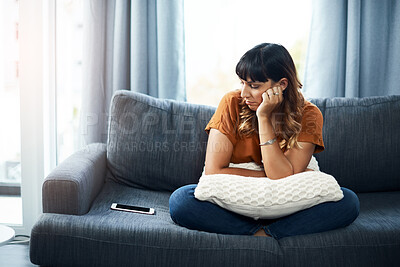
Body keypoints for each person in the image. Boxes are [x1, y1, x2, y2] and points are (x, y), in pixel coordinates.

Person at [169, 43, 360, 239]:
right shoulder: (232, 103)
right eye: (242, 82)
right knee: (181, 200)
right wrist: (273, 175)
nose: (244, 93)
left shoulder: (309, 114)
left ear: (282, 85)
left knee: (348, 201)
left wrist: (263, 118)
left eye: (254, 86)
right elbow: (214, 171)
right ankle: (263, 234)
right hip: (234, 205)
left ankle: (262, 233)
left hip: (288, 206)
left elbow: (282, 177)